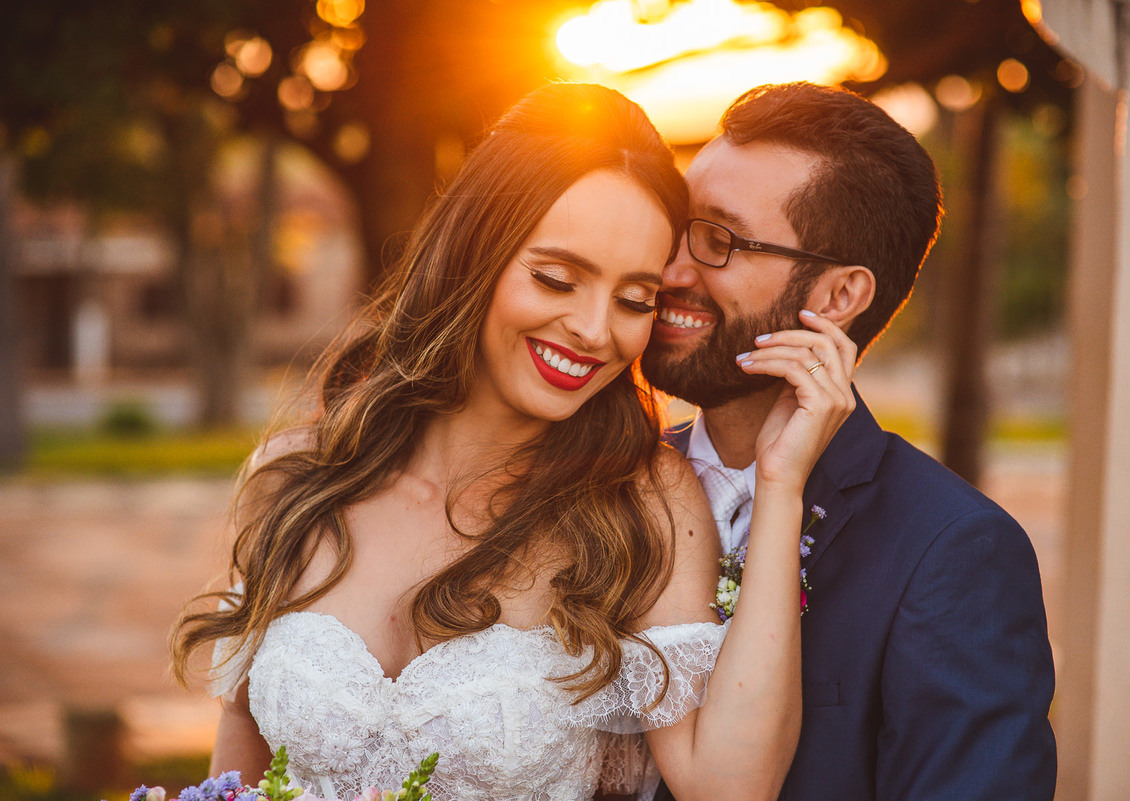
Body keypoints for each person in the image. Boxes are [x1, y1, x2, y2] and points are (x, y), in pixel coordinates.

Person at [171, 83, 856, 801]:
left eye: (633, 300)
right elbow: (236, 770)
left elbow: (730, 787)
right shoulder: (297, 477)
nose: (595, 330)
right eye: (557, 278)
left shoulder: (642, 503)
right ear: (474, 253)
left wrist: (782, 484)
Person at [641, 82, 1057, 801]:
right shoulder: (603, 483)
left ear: (837, 298)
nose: (672, 268)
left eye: (718, 239)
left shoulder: (952, 552)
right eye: (677, 223)